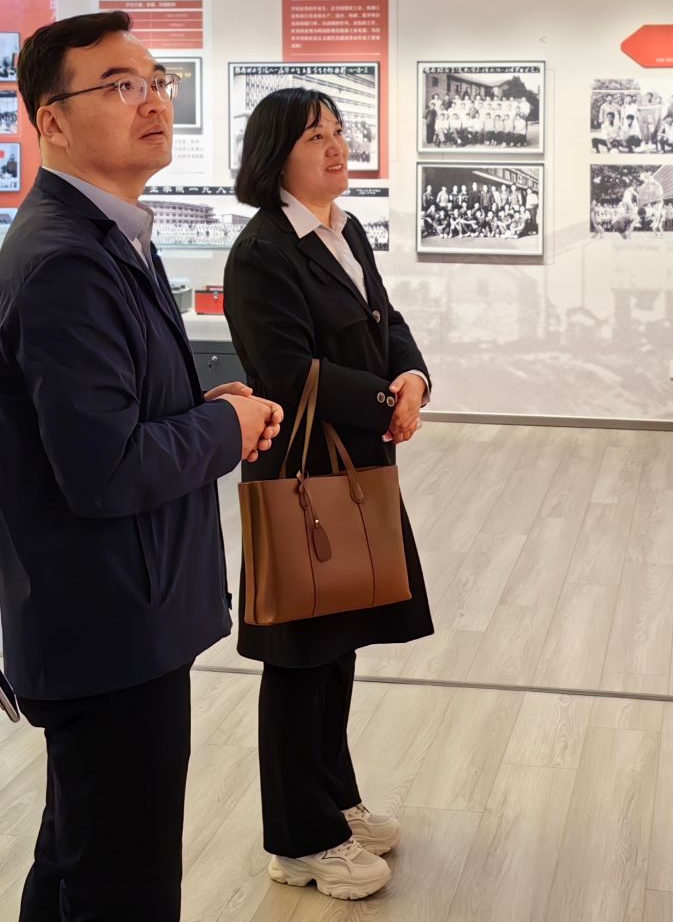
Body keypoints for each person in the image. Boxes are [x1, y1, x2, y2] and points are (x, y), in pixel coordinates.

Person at [0, 12, 283, 922]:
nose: (152, 102)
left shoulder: (105, 236)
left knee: (79, 861)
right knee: (123, 884)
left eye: (156, 83)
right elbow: (104, 468)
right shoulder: (66, 260)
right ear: (53, 121)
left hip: (116, 612)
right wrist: (226, 426)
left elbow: (115, 420)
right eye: (120, 85)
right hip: (107, 625)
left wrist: (202, 411)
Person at [223, 88, 434, 901]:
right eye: (317, 136)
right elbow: (287, 371)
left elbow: (387, 321)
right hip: (301, 478)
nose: (337, 147)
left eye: (340, 132)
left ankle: (334, 801)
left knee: (335, 649)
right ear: (277, 153)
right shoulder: (262, 252)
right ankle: (299, 840)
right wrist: (383, 404)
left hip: (352, 467)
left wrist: (410, 378)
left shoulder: (345, 230)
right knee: (299, 657)